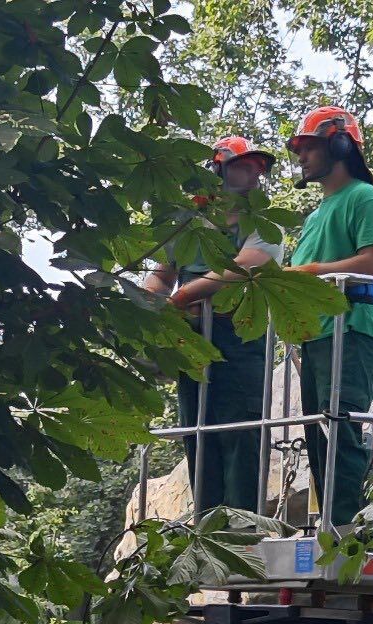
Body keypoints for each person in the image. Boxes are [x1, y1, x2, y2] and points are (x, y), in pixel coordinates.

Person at [142, 136, 282, 514]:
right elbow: (160, 275)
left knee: (242, 432)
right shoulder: (188, 226)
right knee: (197, 435)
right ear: (217, 169)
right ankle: (207, 529)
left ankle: (242, 529)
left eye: (259, 168)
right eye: (244, 165)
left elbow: (241, 268)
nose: (255, 175)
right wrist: (147, 307)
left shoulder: (265, 227)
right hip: (190, 343)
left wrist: (179, 300)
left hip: (239, 337)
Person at [285, 106, 373, 527]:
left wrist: (309, 272)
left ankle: (351, 536)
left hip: (352, 329)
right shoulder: (315, 214)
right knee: (318, 437)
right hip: (315, 336)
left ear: (340, 143)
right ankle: (332, 528)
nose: (301, 157)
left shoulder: (365, 197)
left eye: (309, 147)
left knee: (340, 431)